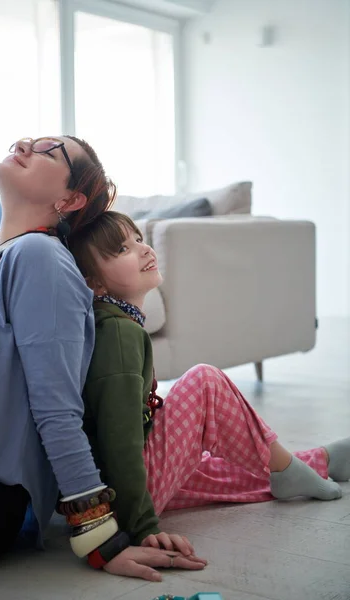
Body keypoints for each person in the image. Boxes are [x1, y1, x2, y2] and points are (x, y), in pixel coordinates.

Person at [0, 137, 207, 581]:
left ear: (70, 199)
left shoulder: (41, 259)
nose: (26, 143)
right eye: (28, 139)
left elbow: (57, 408)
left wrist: (100, 536)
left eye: (51, 151)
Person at [72, 210, 350, 551]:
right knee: (204, 380)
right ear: (95, 284)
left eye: (139, 240)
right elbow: (120, 443)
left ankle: (318, 462)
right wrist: (141, 526)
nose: (144, 250)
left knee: (216, 469)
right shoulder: (117, 331)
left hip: (119, 494)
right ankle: (288, 466)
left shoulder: (116, 324)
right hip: (125, 497)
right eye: (123, 250)